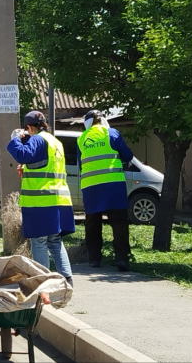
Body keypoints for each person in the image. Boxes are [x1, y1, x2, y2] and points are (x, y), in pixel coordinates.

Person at [7, 111, 75, 286]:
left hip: (41, 202)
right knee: (55, 241)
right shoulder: (55, 142)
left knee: (38, 242)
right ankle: (67, 279)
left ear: (29, 127)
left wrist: (15, 139)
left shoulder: (37, 139)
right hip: (59, 201)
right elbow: (40, 164)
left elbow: (22, 155)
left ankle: (43, 282)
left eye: (26, 130)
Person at [77, 110, 134, 271]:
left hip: (91, 186)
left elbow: (81, 163)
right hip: (113, 184)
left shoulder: (81, 139)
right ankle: (122, 258)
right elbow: (128, 155)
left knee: (92, 222)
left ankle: (94, 258)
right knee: (119, 222)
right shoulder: (112, 133)